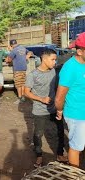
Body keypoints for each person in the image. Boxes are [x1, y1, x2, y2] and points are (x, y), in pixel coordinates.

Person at [25, 49, 67, 168]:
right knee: (38, 134)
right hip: (40, 110)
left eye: (55, 59)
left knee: (60, 131)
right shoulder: (33, 75)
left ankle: (59, 154)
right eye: (52, 59)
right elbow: (26, 92)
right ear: (44, 59)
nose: (55, 62)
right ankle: (39, 156)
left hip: (54, 109)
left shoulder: (54, 71)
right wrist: (41, 99)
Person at [55, 32, 85, 167]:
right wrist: (59, 110)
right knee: (76, 146)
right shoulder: (70, 68)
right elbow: (59, 97)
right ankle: (74, 174)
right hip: (77, 114)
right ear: (79, 51)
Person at [6, 39, 28, 104]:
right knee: (23, 83)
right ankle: (23, 97)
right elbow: (30, 52)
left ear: (11, 45)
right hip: (24, 69)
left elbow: (8, 60)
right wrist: (26, 57)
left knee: (18, 84)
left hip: (18, 70)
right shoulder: (22, 48)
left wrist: (10, 51)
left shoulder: (13, 50)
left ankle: (20, 98)